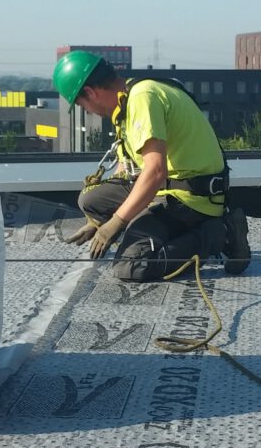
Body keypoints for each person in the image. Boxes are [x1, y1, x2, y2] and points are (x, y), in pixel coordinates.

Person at [52, 50, 250, 282]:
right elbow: (126, 170)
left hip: (191, 199)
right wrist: (98, 221)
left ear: (90, 92)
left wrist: (117, 222)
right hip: (170, 186)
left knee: (131, 266)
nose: (86, 111)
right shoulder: (128, 99)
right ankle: (155, 230)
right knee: (90, 200)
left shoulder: (142, 99)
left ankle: (219, 233)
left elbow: (155, 171)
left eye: (81, 104)